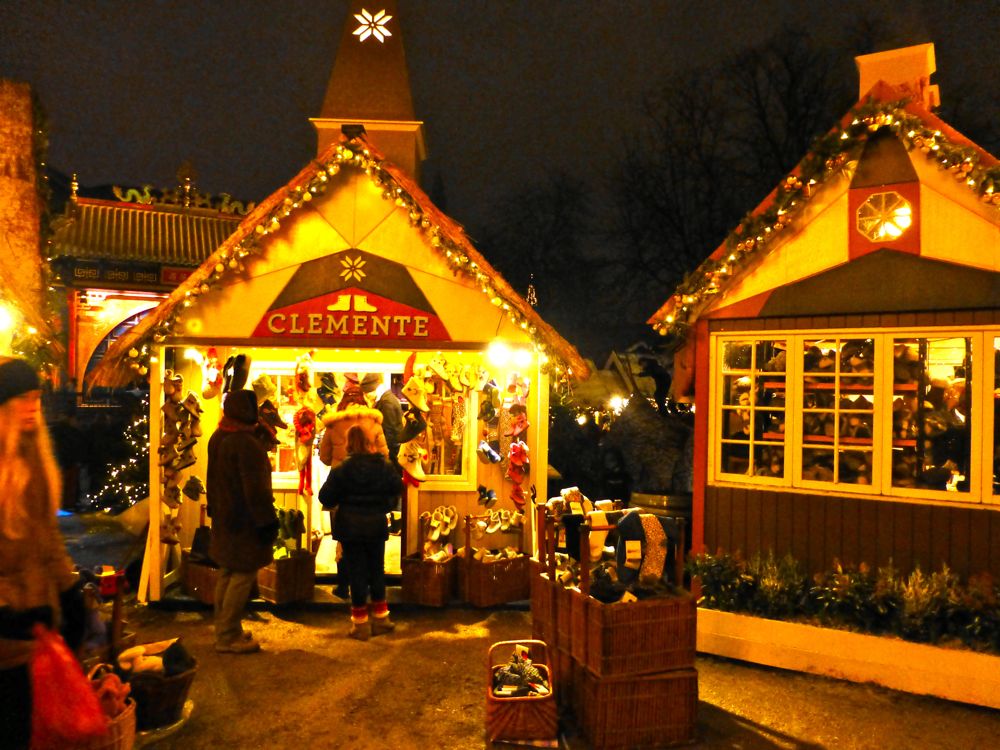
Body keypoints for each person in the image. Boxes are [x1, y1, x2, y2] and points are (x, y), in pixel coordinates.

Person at [0, 357, 85, 749]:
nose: (33, 406)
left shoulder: (34, 460)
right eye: (22, 398)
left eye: (36, 397)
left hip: (33, 634)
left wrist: (70, 593)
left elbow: (47, 539)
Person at [206, 389, 279, 654]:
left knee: (227, 572)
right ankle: (227, 636)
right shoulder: (246, 443)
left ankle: (226, 629)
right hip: (245, 520)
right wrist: (267, 522)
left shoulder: (218, 436)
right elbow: (256, 490)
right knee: (243, 573)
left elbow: (212, 479)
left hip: (225, 517)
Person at [318, 425, 403, 640]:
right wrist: (384, 504)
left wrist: (342, 500)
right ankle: (382, 619)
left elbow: (325, 497)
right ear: (368, 442)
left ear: (348, 443)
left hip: (350, 526)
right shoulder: (383, 466)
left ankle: (361, 624)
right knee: (376, 569)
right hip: (376, 524)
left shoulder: (341, 469)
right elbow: (397, 489)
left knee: (356, 571)